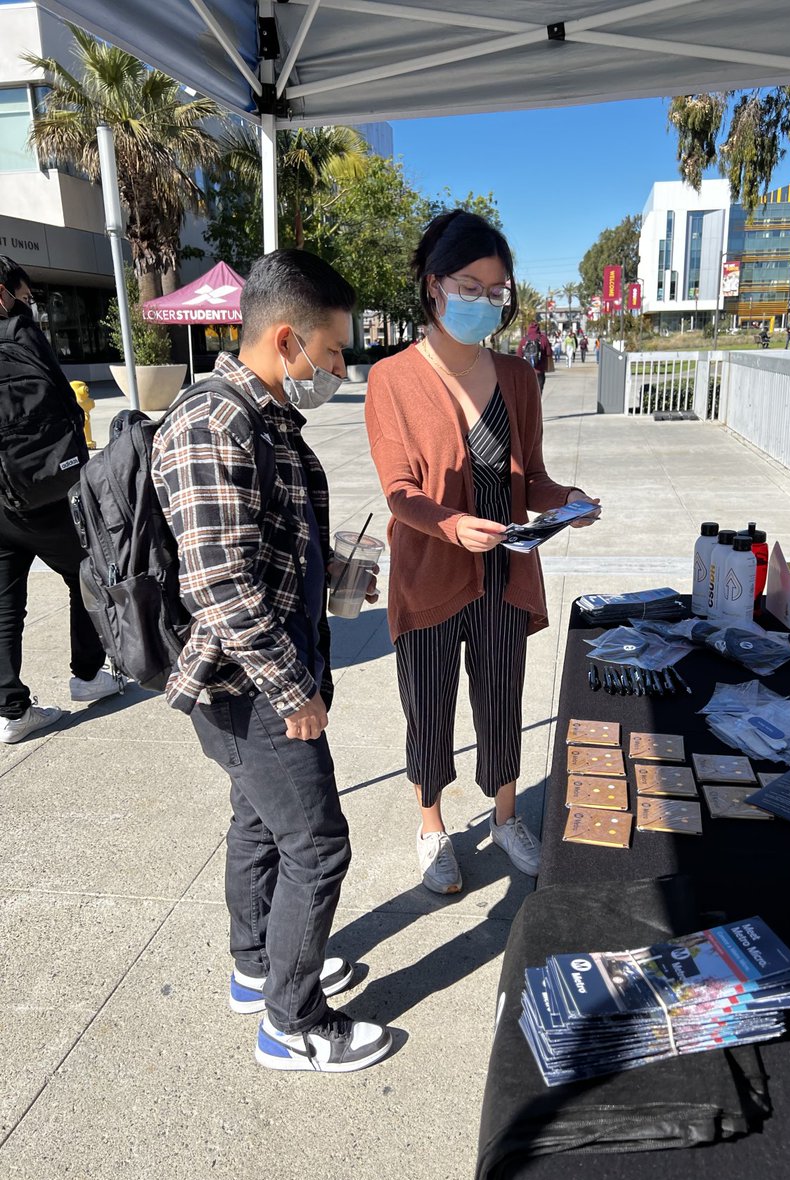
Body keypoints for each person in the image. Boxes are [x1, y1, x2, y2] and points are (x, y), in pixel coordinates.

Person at [151, 250, 391, 1073]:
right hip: (247, 686)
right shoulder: (212, 422)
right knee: (319, 846)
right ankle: (293, 1024)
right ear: (286, 338)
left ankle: (258, 968)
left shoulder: (266, 417)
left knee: (261, 822)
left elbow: (268, 547)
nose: (337, 369)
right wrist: (295, 691)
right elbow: (219, 584)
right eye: (331, 353)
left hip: (266, 673)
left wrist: (336, 572)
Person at [364, 209, 600, 894]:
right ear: (435, 286)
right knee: (428, 708)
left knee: (501, 701)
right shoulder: (392, 379)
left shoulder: (519, 377)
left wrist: (567, 502)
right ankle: (432, 827)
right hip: (431, 571)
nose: (487, 302)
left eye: (498, 291)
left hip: (505, 569)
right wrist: (448, 526)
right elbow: (400, 493)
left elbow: (533, 482)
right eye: (473, 287)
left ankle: (505, 818)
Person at [0, 255, 119, 745]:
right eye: (25, 298)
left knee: (5, 602)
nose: (30, 307)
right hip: (44, 491)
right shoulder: (17, 333)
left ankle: (10, 710)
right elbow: (65, 408)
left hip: (2, 497)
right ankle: (88, 676)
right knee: (84, 573)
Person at [516, 320, 552, 393]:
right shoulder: (543, 339)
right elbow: (549, 353)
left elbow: (519, 355)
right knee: (538, 393)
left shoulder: (524, 340)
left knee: (528, 393)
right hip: (539, 370)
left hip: (527, 371)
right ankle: (537, 404)